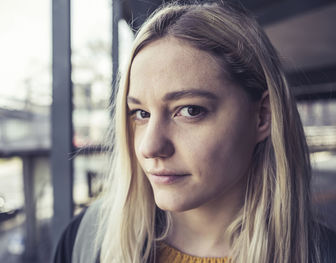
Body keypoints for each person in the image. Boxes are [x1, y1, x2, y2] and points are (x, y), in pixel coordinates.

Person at [54, 1, 336, 262]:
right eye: (141, 113)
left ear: (262, 116)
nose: (150, 147)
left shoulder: (321, 254)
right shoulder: (87, 240)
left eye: (189, 110)